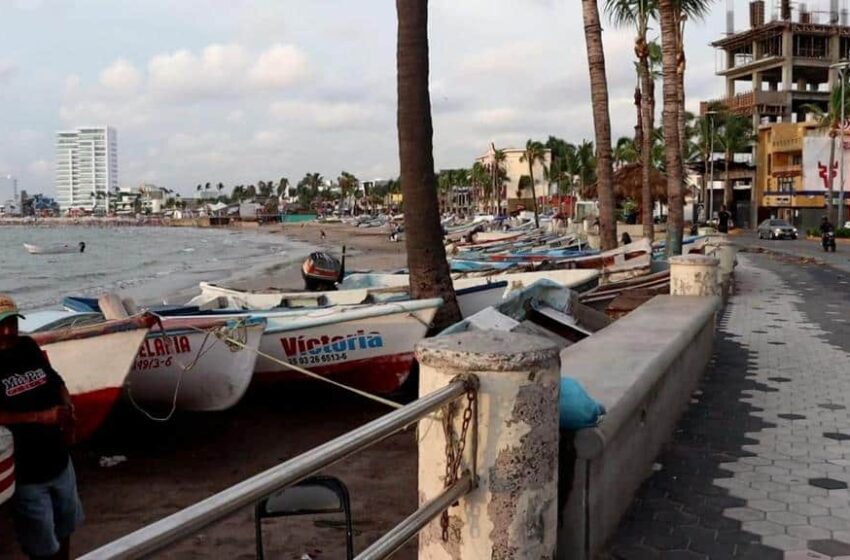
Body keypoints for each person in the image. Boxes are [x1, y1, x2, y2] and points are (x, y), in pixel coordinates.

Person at [0, 295, 82, 560]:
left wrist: (67, 404)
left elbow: (55, 379)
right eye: (2, 325)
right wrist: (40, 417)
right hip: (27, 472)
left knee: (66, 525)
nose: (8, 331)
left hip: (59, 459)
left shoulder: (27, 346)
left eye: (12, 322)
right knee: (41, 543)